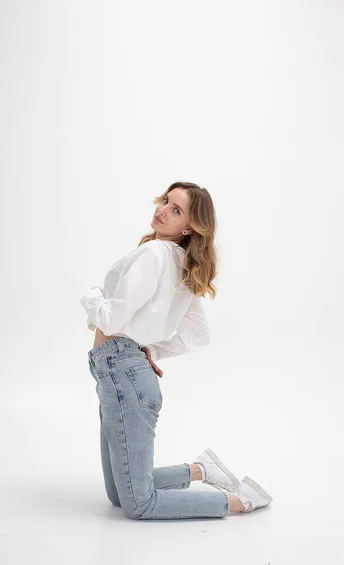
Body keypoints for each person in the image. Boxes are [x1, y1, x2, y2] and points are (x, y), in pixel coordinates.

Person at [80, 181, 273, 519]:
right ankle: (200, 469)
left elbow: (111, 319)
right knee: (118, 495)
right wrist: (149, 349)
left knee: (139, 505)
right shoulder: (182, 262)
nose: (162, 210)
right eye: (166, 201)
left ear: (188, 226)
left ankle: (238, 501)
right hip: (121, 372)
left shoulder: (154, 253)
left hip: (123, 373)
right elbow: (198, 334)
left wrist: (91, 296)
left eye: (176, 210)